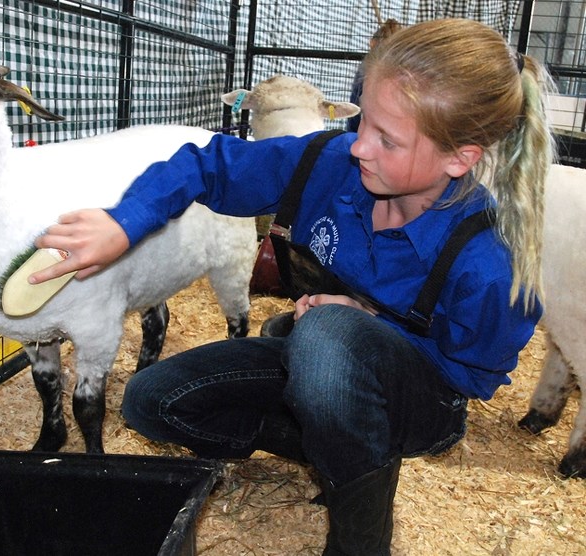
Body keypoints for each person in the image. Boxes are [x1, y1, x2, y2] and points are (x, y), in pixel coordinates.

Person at [29, 18, 555, 555]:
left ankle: (360, 541)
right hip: (319, 356)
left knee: (327, 336)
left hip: (420, 401)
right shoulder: (329, 162)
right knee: (151, 402)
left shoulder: (491, 262)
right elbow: (208, 165)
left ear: (459, 157)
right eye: (364, 123)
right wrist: (124, 223)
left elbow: (473, 376)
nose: (360, 148)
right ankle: (332, 437)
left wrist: (368, 321)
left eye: (387, 139)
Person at [347, 18, 402, 133]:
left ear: (372, 43)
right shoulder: (407, 69)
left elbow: (354, 107)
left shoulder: (367, 67)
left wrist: (352, 134)